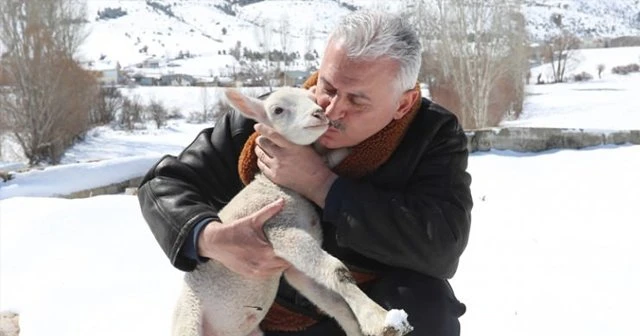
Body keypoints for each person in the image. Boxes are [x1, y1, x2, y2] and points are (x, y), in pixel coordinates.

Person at [138, 10, 472, 336]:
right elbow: (164, 183)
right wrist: (210, 238)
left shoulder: (432, 136)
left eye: (357, 101)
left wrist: (322, 185)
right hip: (263, 313)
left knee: (427, 307)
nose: (330, 109)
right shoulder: (273, 115)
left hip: (365, 300)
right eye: (328, 86)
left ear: (403, 103)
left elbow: (440, 245)